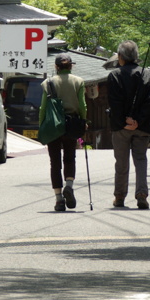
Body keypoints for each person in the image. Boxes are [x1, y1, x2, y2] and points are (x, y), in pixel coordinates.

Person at [106, 40, 150, 209]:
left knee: (121, 162)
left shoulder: (114, 75)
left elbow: (114, 102)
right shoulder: (146, 74)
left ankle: (119, 196)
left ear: (120, 56)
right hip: (142, 126)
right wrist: (138, 121)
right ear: (136, 56)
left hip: (121, 127)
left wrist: (124, 121)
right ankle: (141, 194)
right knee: (140, 159)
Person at [38, 53, 87, 211]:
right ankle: (69, 186)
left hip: (53, 125)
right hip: (71, 124)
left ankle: (59, 199)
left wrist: (41, 126)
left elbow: (43, 108)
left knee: (55, 163)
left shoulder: (48, 83)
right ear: (71, 66)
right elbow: (83, 105)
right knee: (70, 158)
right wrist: (83, 121)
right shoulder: (78, 81)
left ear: (56, 67)